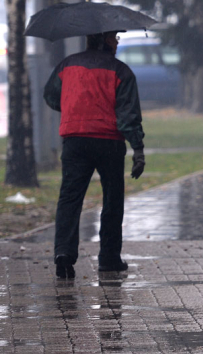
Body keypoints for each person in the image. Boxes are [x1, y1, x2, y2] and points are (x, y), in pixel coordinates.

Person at [44, 30, 146, 279]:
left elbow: (51, 96)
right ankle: (109, 259)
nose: (117, 43)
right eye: (114, 38)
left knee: (70, 198)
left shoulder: (67, 65)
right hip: (108, 141)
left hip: (75, 140)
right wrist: (138, 149)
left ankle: (63, 254)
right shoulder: (120, 71)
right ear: (105, 40)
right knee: (112, 199)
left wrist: (73, 107)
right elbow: (128, 115)